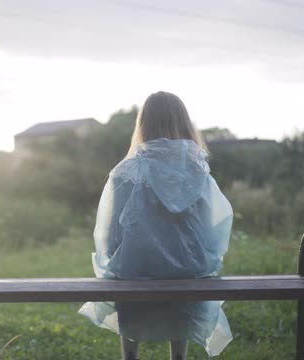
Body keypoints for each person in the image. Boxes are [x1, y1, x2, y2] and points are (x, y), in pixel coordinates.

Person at [78, 91, 233, 360]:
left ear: (143, 124)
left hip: (136, 275)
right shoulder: (199, 171)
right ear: (184, 123)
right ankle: (178, 357)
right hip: (189, 273)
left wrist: (119, 261)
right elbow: (212, 233)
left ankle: (131, 356)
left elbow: (110, 237)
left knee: (124, 268)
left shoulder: (126, 172)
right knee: (186, 272)